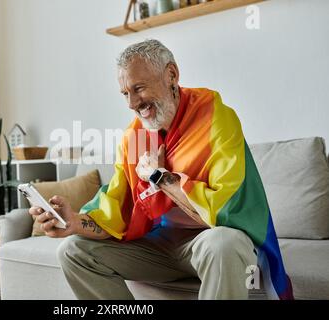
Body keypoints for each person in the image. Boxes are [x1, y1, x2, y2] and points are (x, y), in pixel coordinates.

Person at [29, 39, 293, 300]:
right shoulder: (134, 138)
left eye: (139, 88)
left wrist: (159, 177)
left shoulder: (217, 118)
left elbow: (223, 211)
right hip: (161, 244)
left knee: (225, 243)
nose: (132, 103)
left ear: (171, 75)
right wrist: (73, 222)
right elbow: (118, 208)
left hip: (208, 241)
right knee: (73, 251)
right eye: (125, 93)